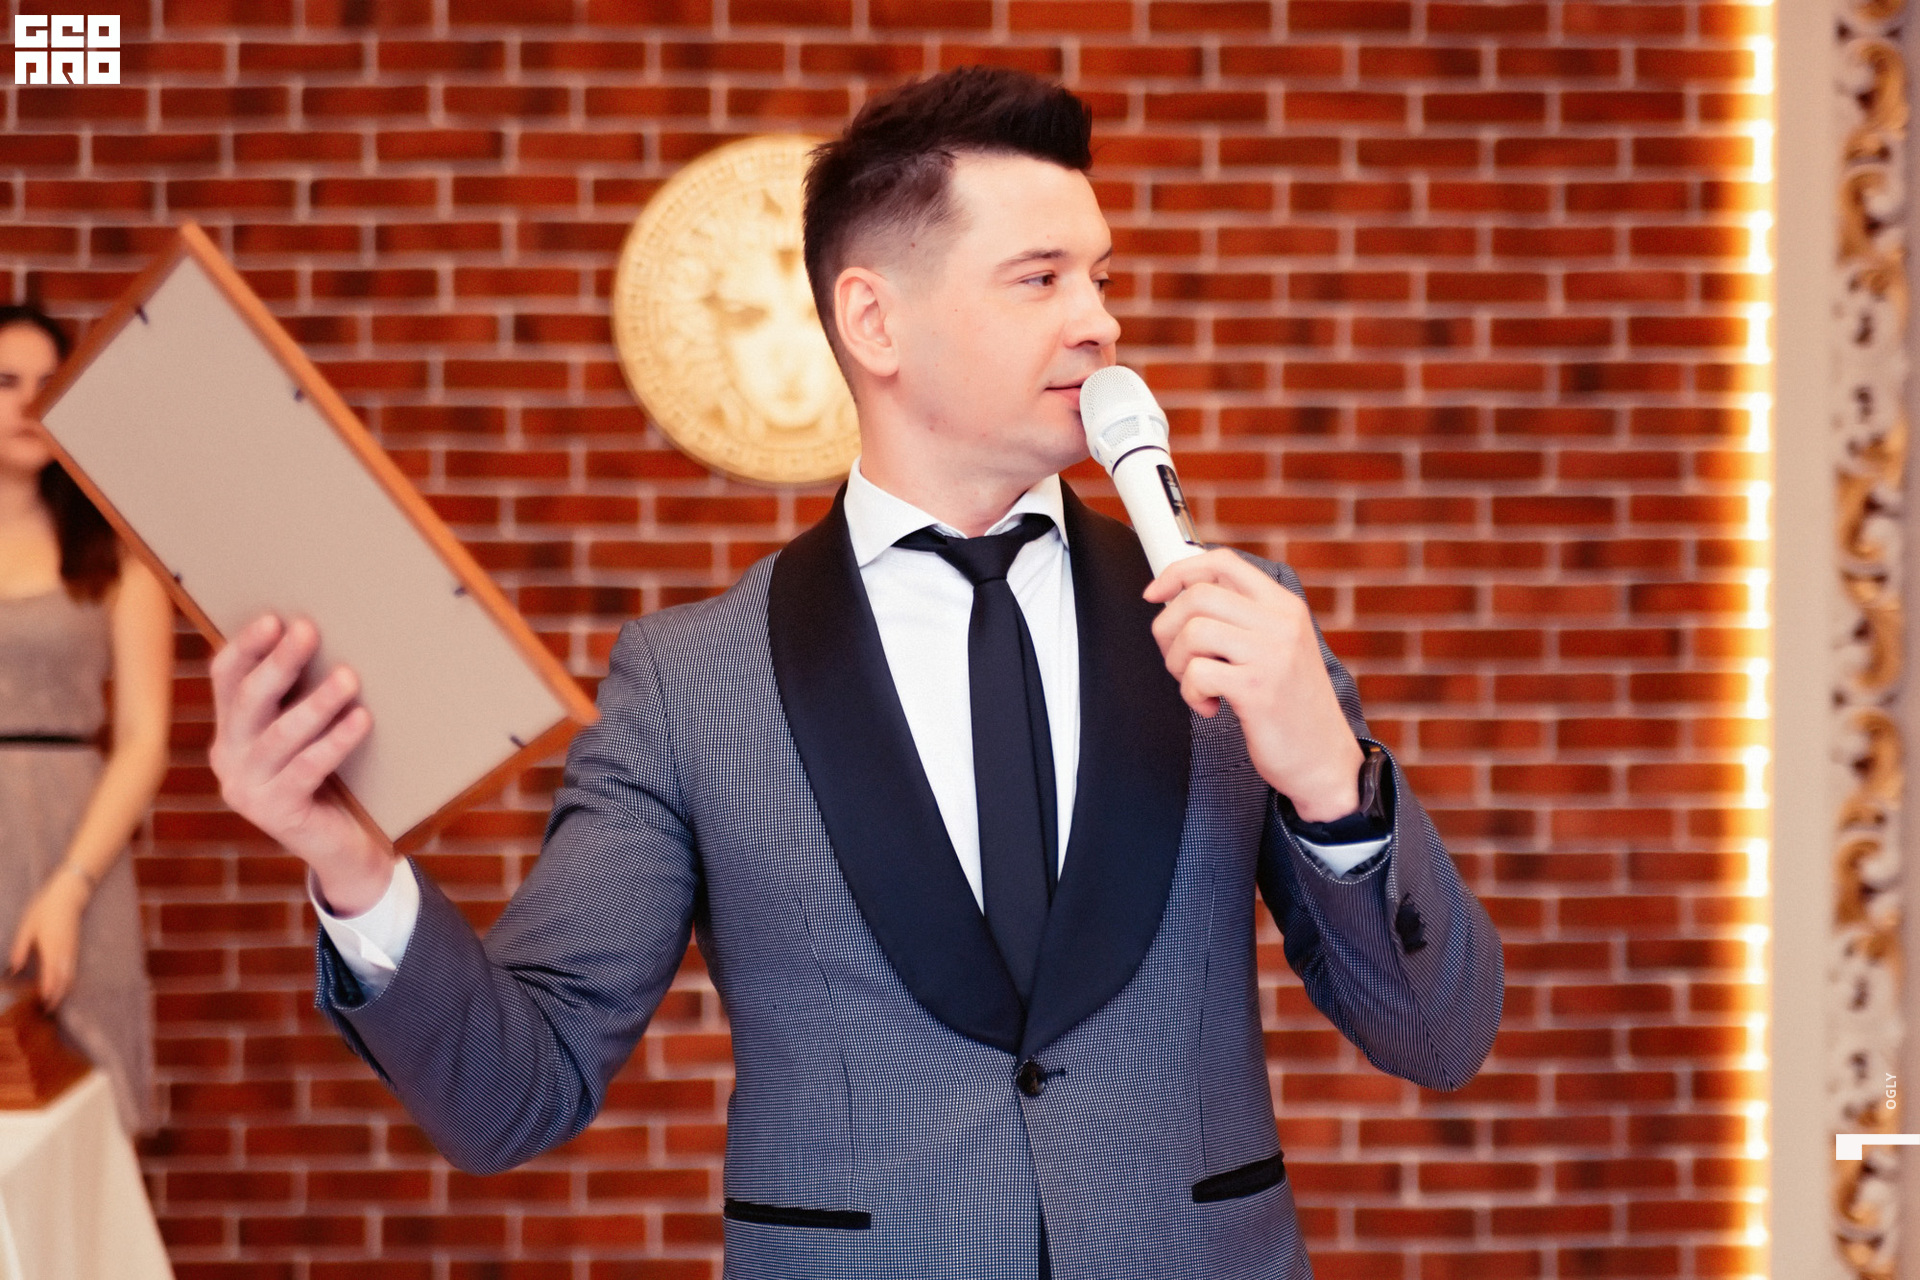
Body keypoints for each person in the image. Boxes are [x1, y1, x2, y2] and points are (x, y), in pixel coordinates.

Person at [208, 69, 1503, 1278]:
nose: (1101, 320)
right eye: (1040, 278)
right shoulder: (690, 682)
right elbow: (515, 1092)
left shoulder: (1244, 626)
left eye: (1104, 276)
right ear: (873, 319)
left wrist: (1331, 781)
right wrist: (348, 858)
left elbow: (1439, 1037)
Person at [0, 304, 172, 1135]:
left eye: (49, 384)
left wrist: (69, 886)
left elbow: (143, 740)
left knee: (78, 1105)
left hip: (74, 845)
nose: (29, 402)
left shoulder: (114, 551)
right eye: (6, 381)